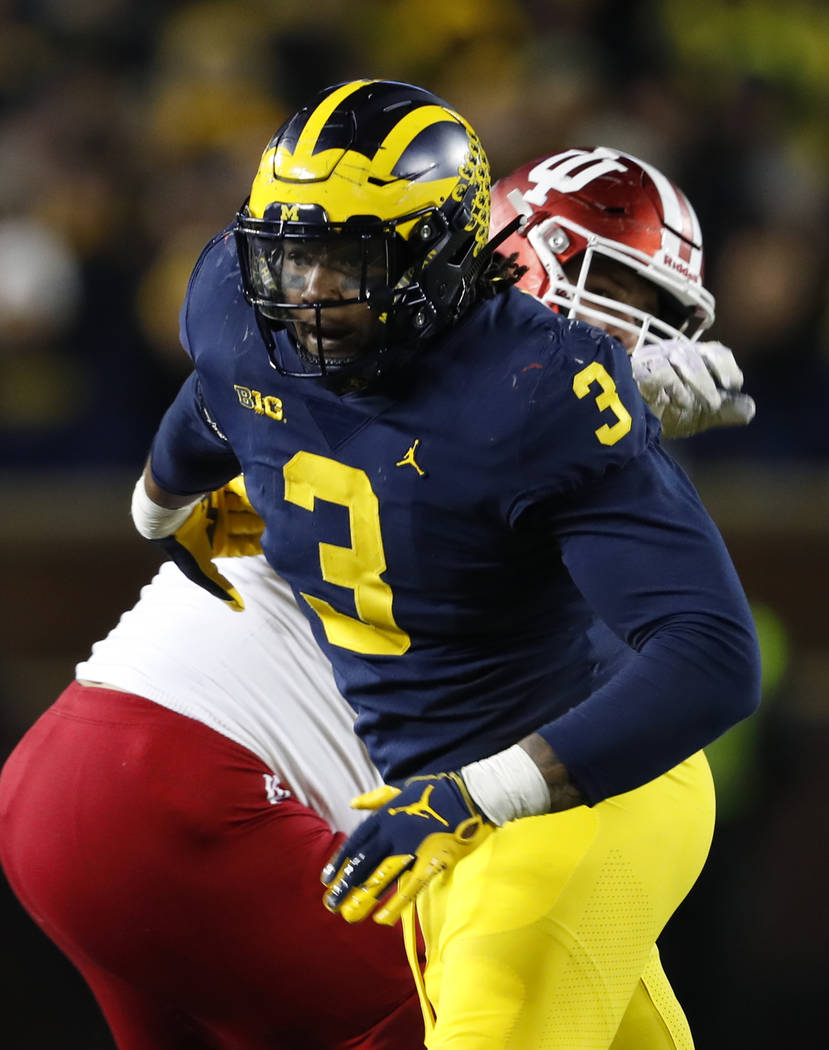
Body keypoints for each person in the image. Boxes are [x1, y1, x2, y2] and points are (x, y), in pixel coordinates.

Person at [0, 82, 758, 1050]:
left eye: (346, 261)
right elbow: (447, 454)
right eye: (600, 290)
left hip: (96, 769)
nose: (314, 291)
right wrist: (621, 409)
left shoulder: (252, 317)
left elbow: (234, 428)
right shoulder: (534, 400)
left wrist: (159, 511)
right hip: (244, 788)